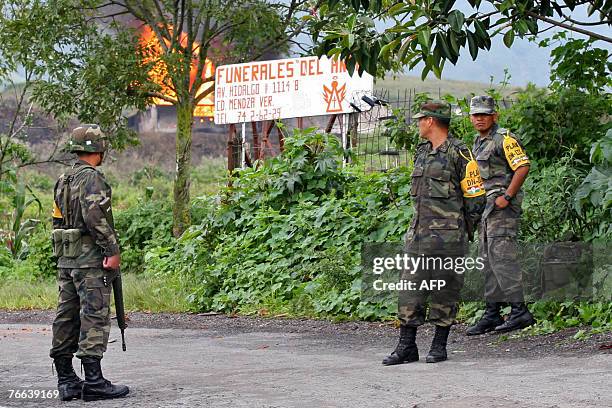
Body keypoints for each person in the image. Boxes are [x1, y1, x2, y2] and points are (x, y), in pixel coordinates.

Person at [383, 102, 485, 365]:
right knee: (410, 290)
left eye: (421, 119)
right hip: (418, 237)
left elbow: (475, 199)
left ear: (431, 121)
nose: (418, 124)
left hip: (448, 239)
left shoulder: (460, 153)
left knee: (445, 291)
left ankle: (439, 345)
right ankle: (407, 346)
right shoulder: (422, 152)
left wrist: (460, 231)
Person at [49, 124, 129, 401]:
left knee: (66, 316)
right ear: (99, 148)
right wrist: (112, 248)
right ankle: (94, 381)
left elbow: (57, 220)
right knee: (94, 315)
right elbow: (96, 217)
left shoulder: (64, 179)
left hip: (67, 257)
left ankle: (66, 380)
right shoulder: (92, 179)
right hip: (90, 259)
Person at [465, 96, 535, 336]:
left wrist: (507, 196)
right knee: (487, 259)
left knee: (502, 257)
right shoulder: (478, 141)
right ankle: (492, 313)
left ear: (495, 115)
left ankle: (519, 311)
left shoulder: (504, 139)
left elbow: (523, 166)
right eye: (475, 115)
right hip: (486, 210)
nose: (479, 119)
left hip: (502, 209)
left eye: (484, 114)